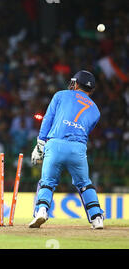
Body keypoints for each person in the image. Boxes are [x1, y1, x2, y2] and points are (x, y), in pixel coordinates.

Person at [29, 70, 104, 229]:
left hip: (55, 144)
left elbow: (47, 119)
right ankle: (97, 218)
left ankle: (42, 210)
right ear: (91, 90)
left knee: (47, 182)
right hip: (78, 148)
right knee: (84, 184)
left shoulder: (60, 95)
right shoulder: (96, 110)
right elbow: (85, 131)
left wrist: (40, 145)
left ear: (75, 84)